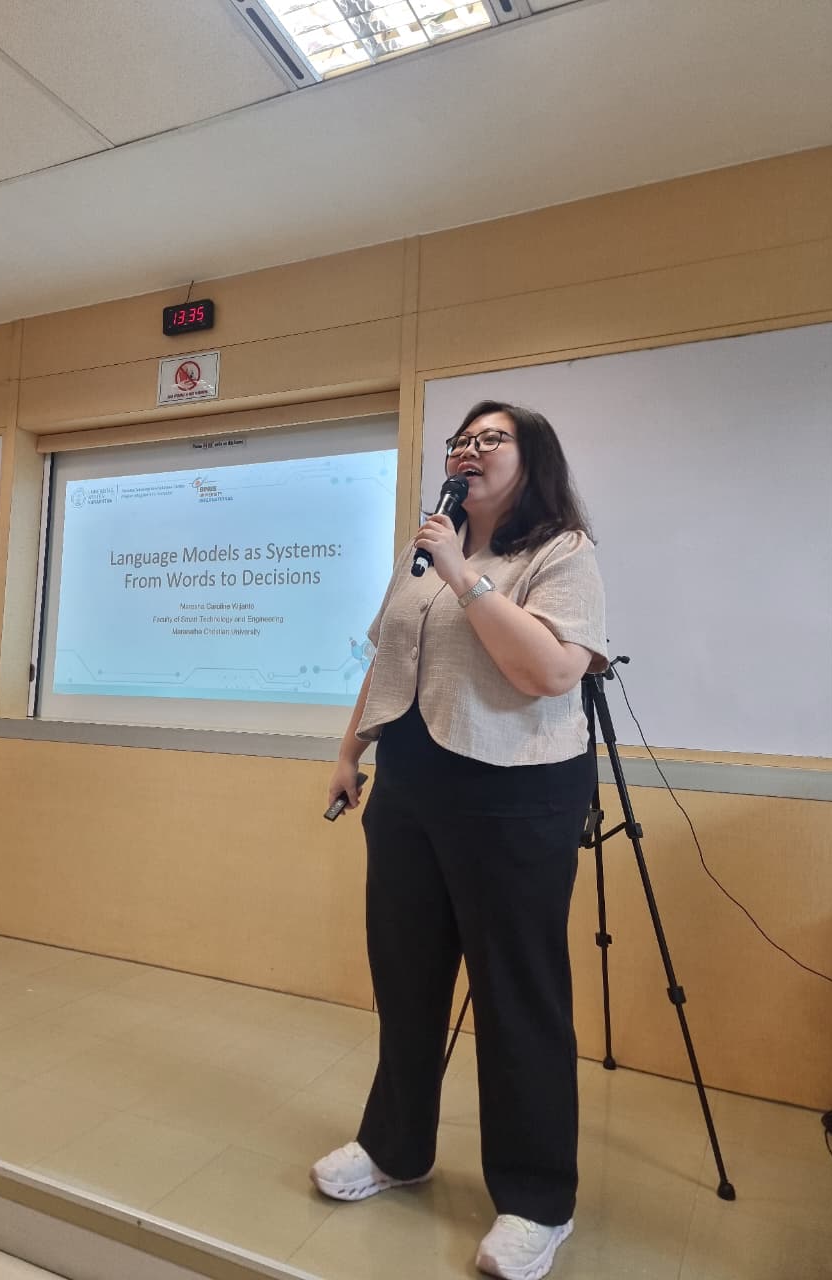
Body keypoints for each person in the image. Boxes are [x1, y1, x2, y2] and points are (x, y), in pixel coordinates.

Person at [310, 401, 608, 1280]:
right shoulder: (423, 556)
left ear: (530, 458)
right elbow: (385, 660)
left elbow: (549, 670)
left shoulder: (560, 552)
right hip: (410, 783)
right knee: (405, 977)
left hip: (516, 793)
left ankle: (537, 1200)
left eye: (490, 439)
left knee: (516, 995)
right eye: (461, 441)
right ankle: (395, 1148)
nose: (469, 450)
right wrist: (350, 751)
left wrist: (463, 575)